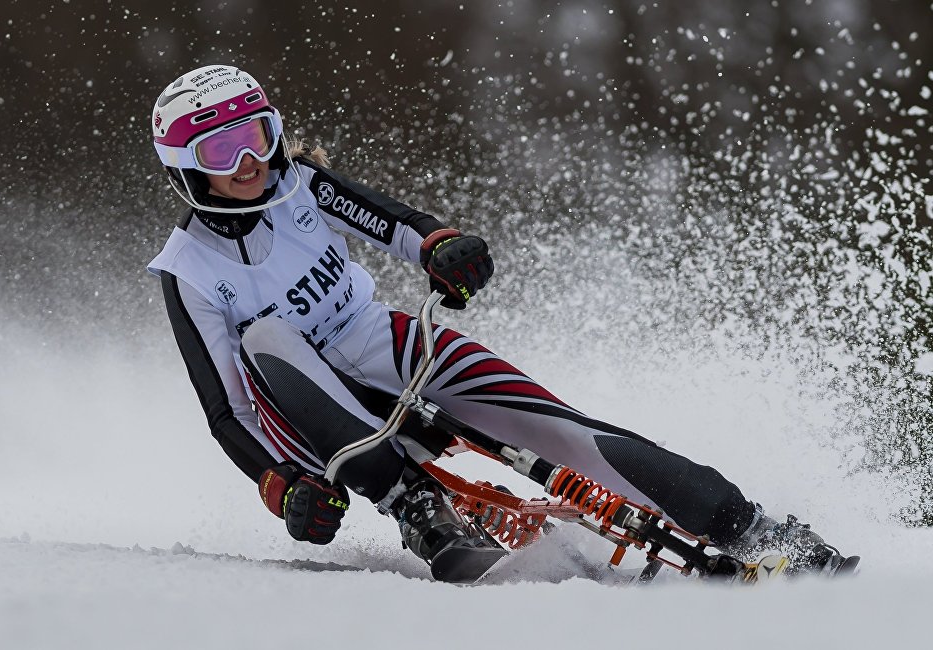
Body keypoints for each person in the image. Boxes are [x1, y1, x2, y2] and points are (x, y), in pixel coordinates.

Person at [147, 64, 851, 582]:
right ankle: (416, 507)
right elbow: (227, 409)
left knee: (559, 427)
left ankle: (746, 524)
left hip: (378, 337)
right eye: (220, 152)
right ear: (185, 167)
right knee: (266, 336)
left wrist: (441, 247)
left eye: (257, 135)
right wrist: (280, 486)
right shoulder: (188, 270)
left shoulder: (299, 183)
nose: (247, 163)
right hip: (296, 407)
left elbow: (396, 224)